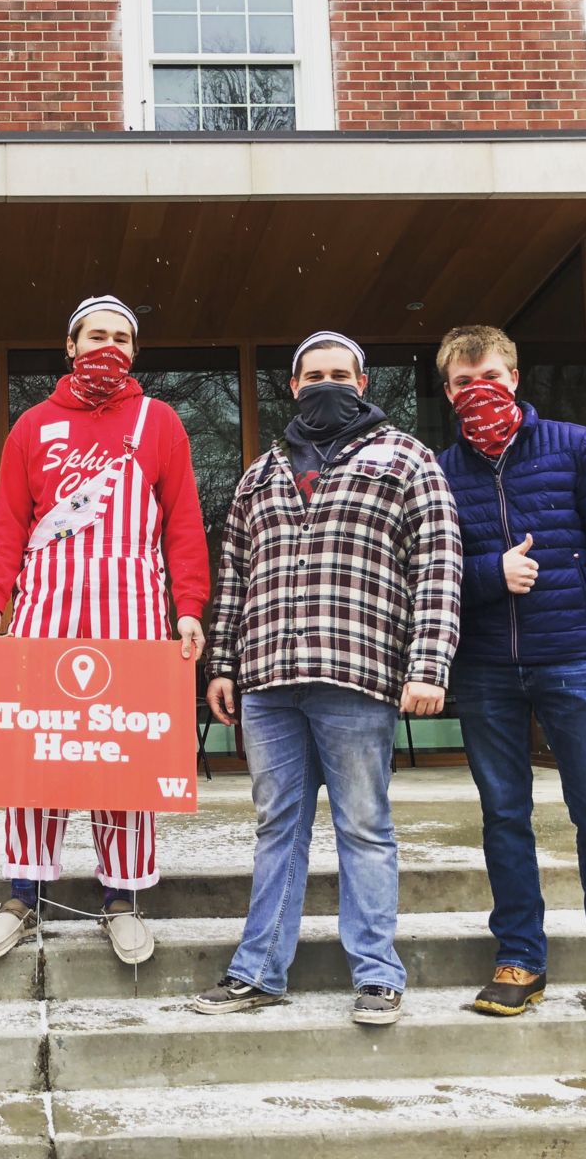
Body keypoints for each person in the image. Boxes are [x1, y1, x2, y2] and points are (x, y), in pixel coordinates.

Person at [193, 330, 462, 1025]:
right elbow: (233, 578)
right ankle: (258, 970)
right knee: (275, 826)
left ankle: (377, 975)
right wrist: (221, 665)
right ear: (292, 385)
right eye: (313, 375)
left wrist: (427, 666)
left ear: (362, 384)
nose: (326, 384)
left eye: (339, 374)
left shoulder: (406, 459)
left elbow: (436, 569)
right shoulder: (260, 473)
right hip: (269, 679)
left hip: (356, 674)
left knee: (364, 828)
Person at [0, 295, 209, 965]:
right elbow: (8, 522)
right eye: (96, 336)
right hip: (45, 601)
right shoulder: (34, 426)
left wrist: (187, 606)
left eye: (122, 338)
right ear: (69, 346)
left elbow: (182, 525)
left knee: (125, 752)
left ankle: (121, 897)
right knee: (35, 748)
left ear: (134, 353)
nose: (109, 347)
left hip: (132, 601)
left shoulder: (157, 421)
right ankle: (23, 892)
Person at [435, 324, 586, 1028]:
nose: (479, 391)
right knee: (504, 816)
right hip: (485, 669)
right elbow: (429, 577)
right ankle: (519, 958)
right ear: (447, 391)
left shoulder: (576, 448)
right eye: (465, 382)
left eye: (490, 376)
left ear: (514, 379)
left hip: (574, 658)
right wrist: (488, 576)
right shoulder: (436, 471)